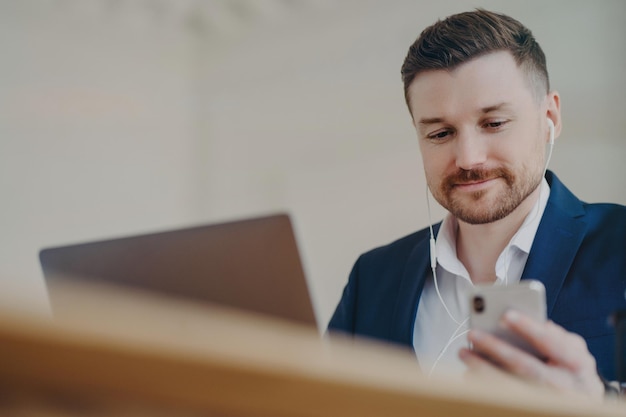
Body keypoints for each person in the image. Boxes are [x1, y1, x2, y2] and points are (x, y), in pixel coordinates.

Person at [328, 9, 626, 400]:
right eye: (440, 133)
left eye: (494, 123)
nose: (468, 158)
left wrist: (601, 402)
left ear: (550, 117)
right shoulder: (372, 278)